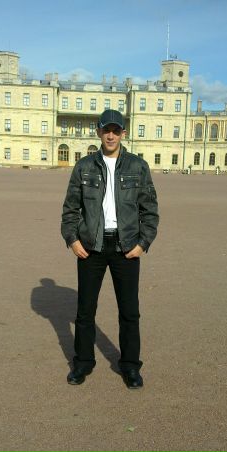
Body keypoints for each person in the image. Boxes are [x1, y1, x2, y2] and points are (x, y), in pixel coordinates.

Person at [61, 109, 159, 389]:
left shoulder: (138, 166)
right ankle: (83, 362)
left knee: (129, 311)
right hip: (91, 246)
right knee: (85, 310)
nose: (111, 135)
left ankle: (130, 366)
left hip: (126, 247)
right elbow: (70, 209)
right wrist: (72, 239)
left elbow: (150, 210)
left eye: (116, 131)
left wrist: (143, 243)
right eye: (107, 130)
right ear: (99, 132)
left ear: (123, 133)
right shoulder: (84, 166)